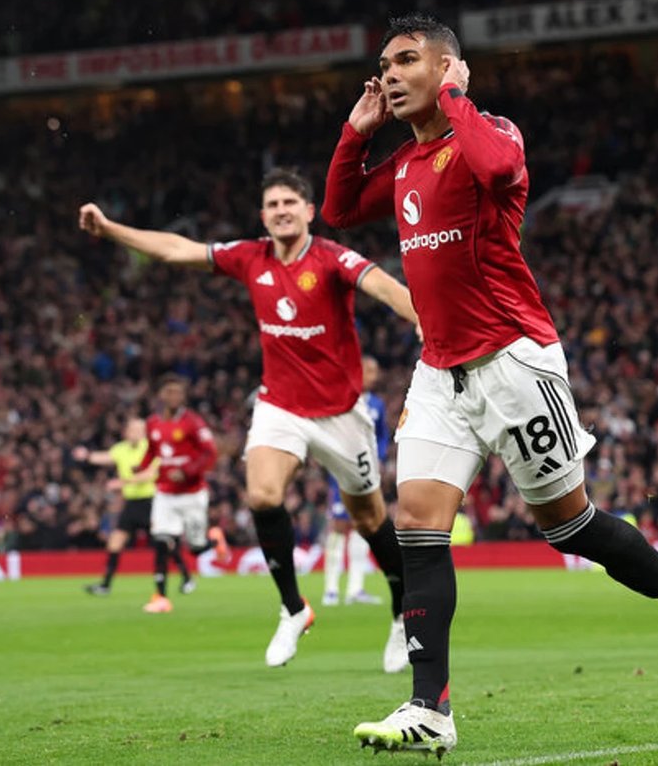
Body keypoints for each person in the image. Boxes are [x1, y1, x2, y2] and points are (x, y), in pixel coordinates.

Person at [322, 13, 658, 757]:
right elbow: (339, 210)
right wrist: (357, 131)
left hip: (516, 362)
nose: (390, 74)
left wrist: (455, 99)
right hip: (440, 369)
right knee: (416, 523)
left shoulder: (490, 132)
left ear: (447, 68)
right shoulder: (406, 164)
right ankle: (430, 709)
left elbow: (501, 172)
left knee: (569, 526)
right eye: (384, 64)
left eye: (408, 60)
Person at [79, 168, 418, 668]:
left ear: (308, 211)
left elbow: (384, 286)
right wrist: (110, 229)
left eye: (290, 202)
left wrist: (426, 324)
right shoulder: (250, 256)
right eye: (272, 204)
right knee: (261, 493)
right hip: (279, 405)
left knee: (370, 518)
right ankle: (292, 607)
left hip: (341, 414)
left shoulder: (330, 258)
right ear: (264, 216)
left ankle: (401, 613)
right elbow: (176, 249)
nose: (281, 210)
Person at [130, 374, 225, 613]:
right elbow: (153, 451)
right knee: (161, 540)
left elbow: (210, 453)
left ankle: (215, 540)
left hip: (192, 493)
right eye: (170, 392)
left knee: (195, 548)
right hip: (165, 493)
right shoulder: (152, 423)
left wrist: (187, 471)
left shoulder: (193, 422)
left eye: (178, 393)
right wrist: (141, 466)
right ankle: (160, 598)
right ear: (162, 395)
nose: (174, 397)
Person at [73, 416, 197, 596]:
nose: (134, 433)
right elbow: (106, 457)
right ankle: (105, 585)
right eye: (131, 429)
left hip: (152, 502)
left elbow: (149, 474)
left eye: (138, 430)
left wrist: (122, 482)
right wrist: (87, 456)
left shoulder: (151, 448)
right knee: (115, 542)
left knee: (164, 543)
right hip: (132, 504)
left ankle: (187, 577)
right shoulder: (121, 449)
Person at [323, 356, 388, 609]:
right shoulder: (343, 399)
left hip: (369, 472)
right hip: (342, 469)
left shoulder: (377, 405)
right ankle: (330, 589)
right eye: (369, 370)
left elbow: (382, 436)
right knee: (339, 527)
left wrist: (379, 457)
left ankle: (355, 588)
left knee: (364, 526)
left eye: (375, 371)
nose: (374, 375)